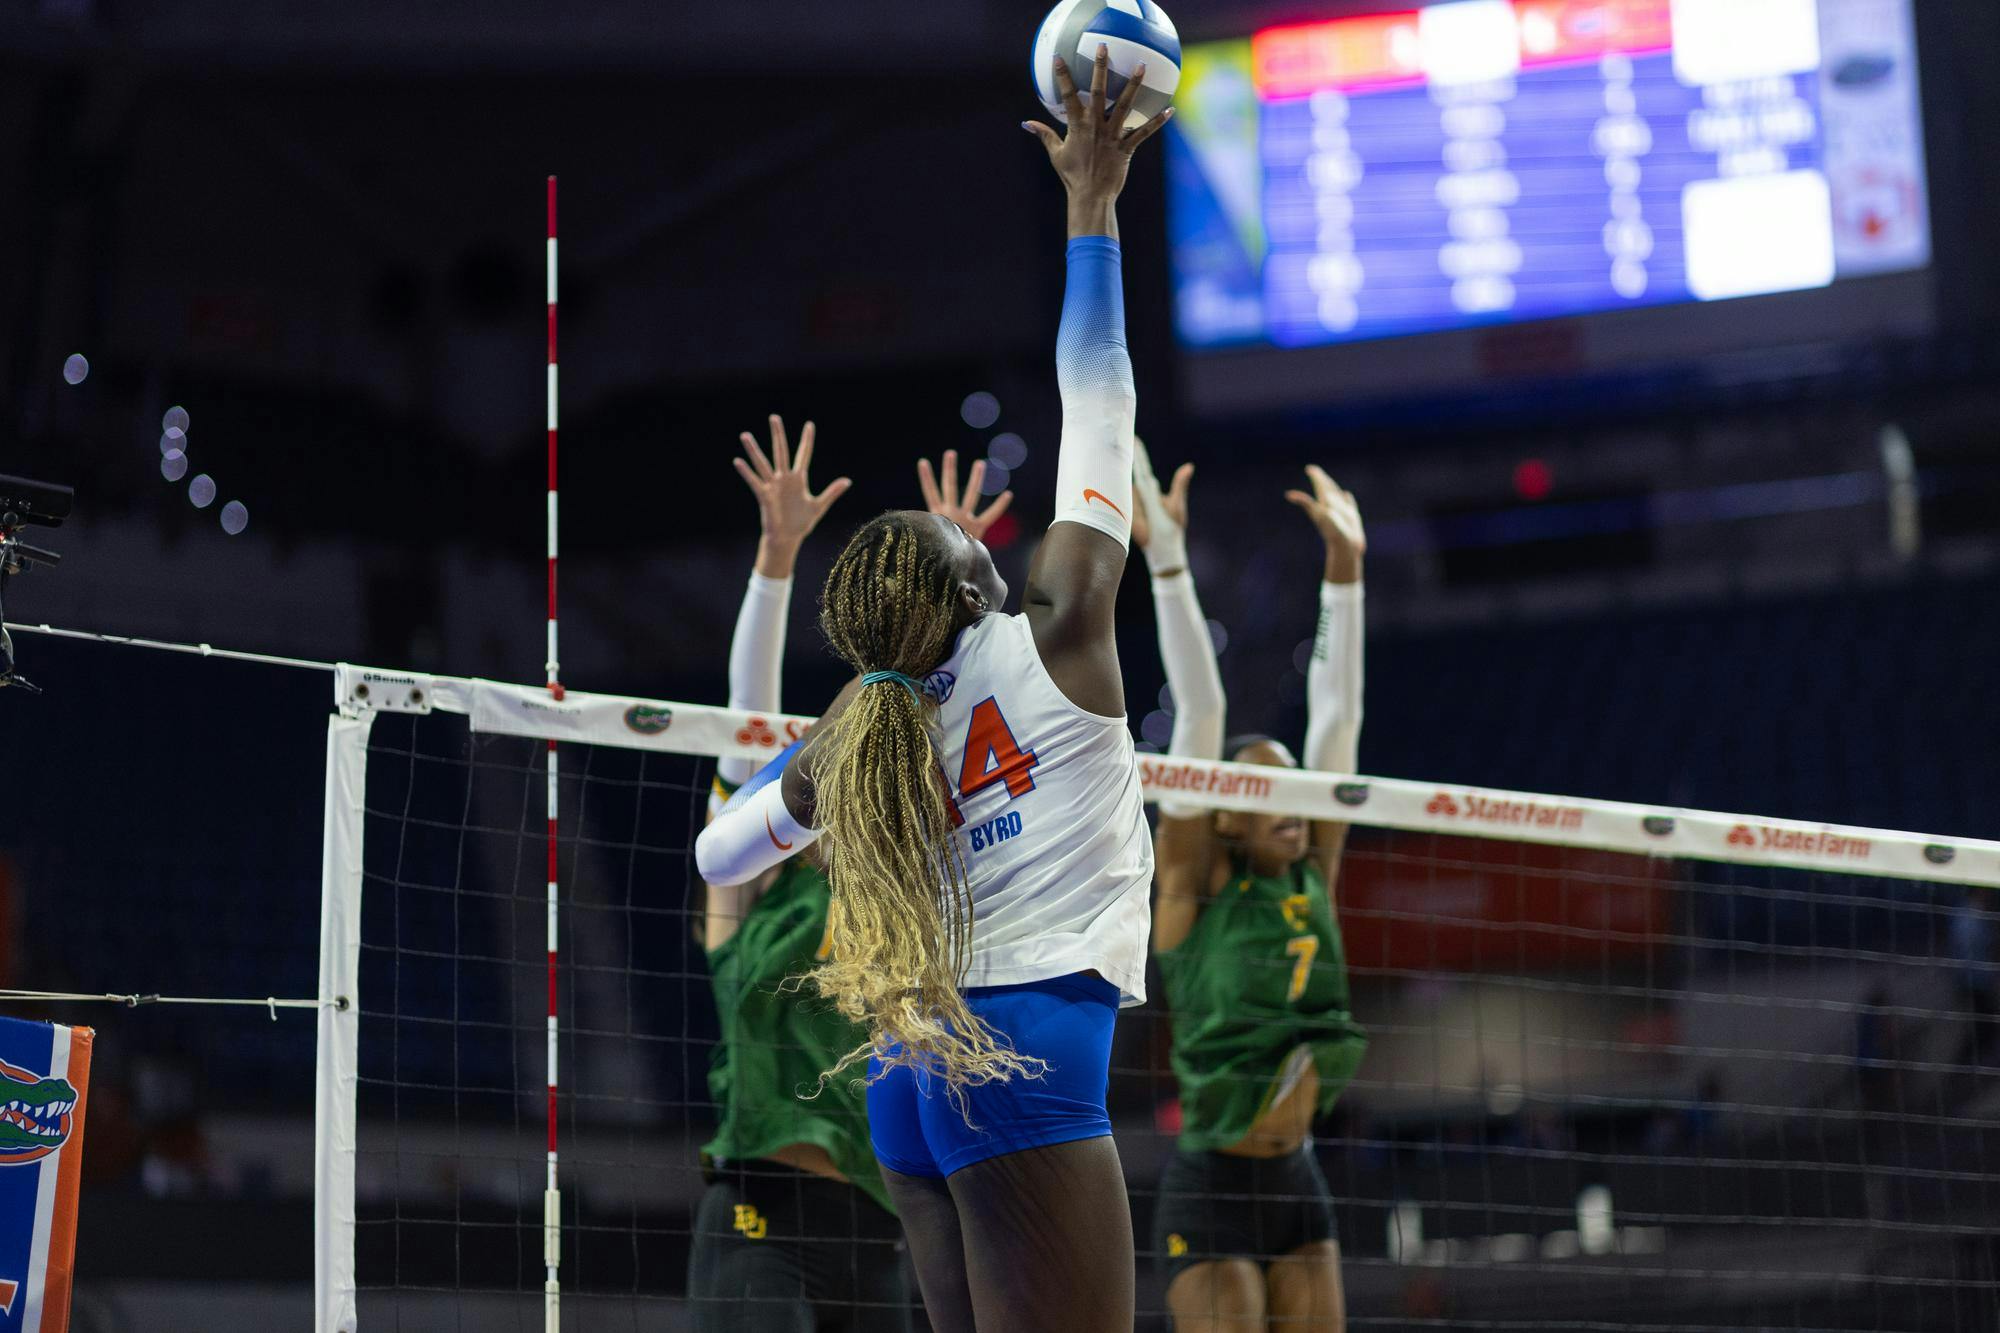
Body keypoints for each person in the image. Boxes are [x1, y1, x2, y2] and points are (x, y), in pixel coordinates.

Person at [696, 46, 1171, 1333]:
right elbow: (1098, 392)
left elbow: (720, 843)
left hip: (913, 1075)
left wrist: (794, 793)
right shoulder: (1063, 625)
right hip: (1019, 1066)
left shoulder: (856, 733)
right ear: (975, 590)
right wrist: (1093, 205)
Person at [689, 422, 1017, 1332]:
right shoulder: (754, 896)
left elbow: (968, 720)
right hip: (762, 1213)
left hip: (884, 1227)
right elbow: (748, 725)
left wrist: (948, 597)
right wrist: (777, 553)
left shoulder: (915, 902)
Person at [1130, 443, 1371, 1333]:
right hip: (1213, 1183)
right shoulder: (1190, 893)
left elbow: (1339, 719)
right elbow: (1200, 717)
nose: (1293, 804)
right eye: (1267, 789)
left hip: (1300, 1177)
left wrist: (1344, 573)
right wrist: (1165, 561)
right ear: (1227, 814)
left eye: (1296, 790)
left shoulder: (1316, 873)